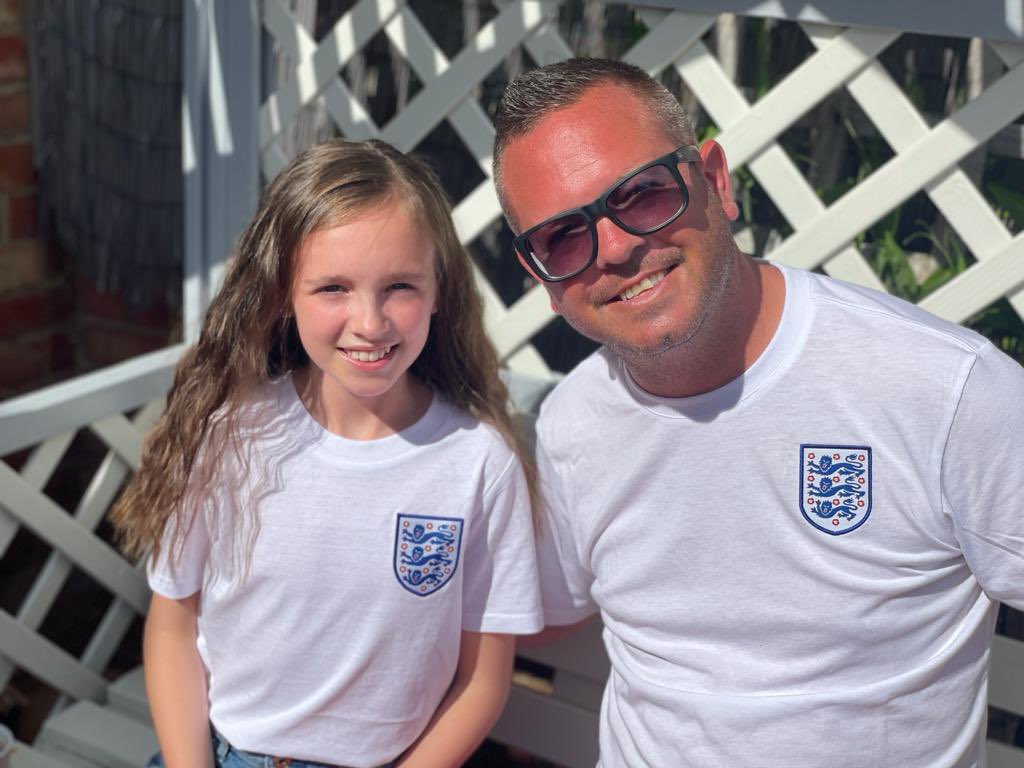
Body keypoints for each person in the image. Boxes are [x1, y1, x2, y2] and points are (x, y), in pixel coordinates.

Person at [493, 57, 1024, 767]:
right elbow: (535, 613)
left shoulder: (945, 389)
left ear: (715, 182)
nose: (616, 248)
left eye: (643, 195)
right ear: (543, 281)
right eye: (563, 237)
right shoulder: (574, 422)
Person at [112, 139, 542, 768]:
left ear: (440, 290)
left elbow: (482, 683)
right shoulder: (231, 435)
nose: (369, 322)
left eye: (398, 286)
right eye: (333, 288)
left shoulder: (478, 464)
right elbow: (174, 624)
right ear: (284, 290)